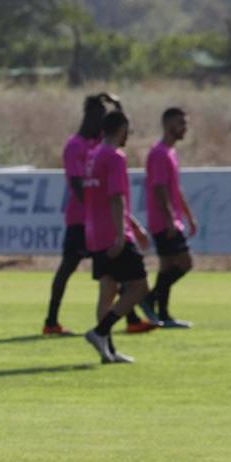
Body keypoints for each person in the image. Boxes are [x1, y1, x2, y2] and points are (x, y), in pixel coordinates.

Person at [44, 93, 152, 335]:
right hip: (81, 221)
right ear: (91, 118)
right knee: (68, 269)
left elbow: (119, 128)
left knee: (113, 275)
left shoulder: (99, 148)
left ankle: (127, 322)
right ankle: (51, 321)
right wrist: (100, 211)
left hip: (100, 221)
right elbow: (79, 187)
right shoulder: (75, 147)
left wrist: (118, 105)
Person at [83, 111, 152, 364]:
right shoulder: (115, 157)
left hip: (94, 232)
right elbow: (115, 197)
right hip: (113, 233)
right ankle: (100, 332)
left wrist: (133, 225)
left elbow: (104, 197)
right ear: (122, 128)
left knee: (108, 291)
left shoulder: (93, 156)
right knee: (140, 287)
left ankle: (107, 350)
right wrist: (122, 236)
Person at [139, 107, 197, 329]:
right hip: (163, 221)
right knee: (185, 263)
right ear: (168, 124)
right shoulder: (159, 153)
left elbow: (175, 189)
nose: (184, 128)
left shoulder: (170, 153)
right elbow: (159, 189)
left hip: (170, 219)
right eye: (180, 123)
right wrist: (171, 219)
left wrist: (189, 216)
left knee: (166, 267)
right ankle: (149, 299)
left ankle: (163, 314)